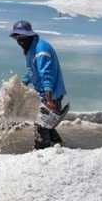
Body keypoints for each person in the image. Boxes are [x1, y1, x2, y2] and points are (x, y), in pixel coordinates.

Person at [9, 20, 68, 149]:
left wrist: (49, 99)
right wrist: (23, 83)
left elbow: (46, 74)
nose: (20, 41)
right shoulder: (31, 48)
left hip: (51, 96)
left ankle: (42, 153)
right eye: (17, 38)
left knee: (41, 127)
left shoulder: (41, 50)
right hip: (45, 95)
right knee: (48, 125)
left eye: (22, 38)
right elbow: (32, 71)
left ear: (29, 36)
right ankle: (60, 147)